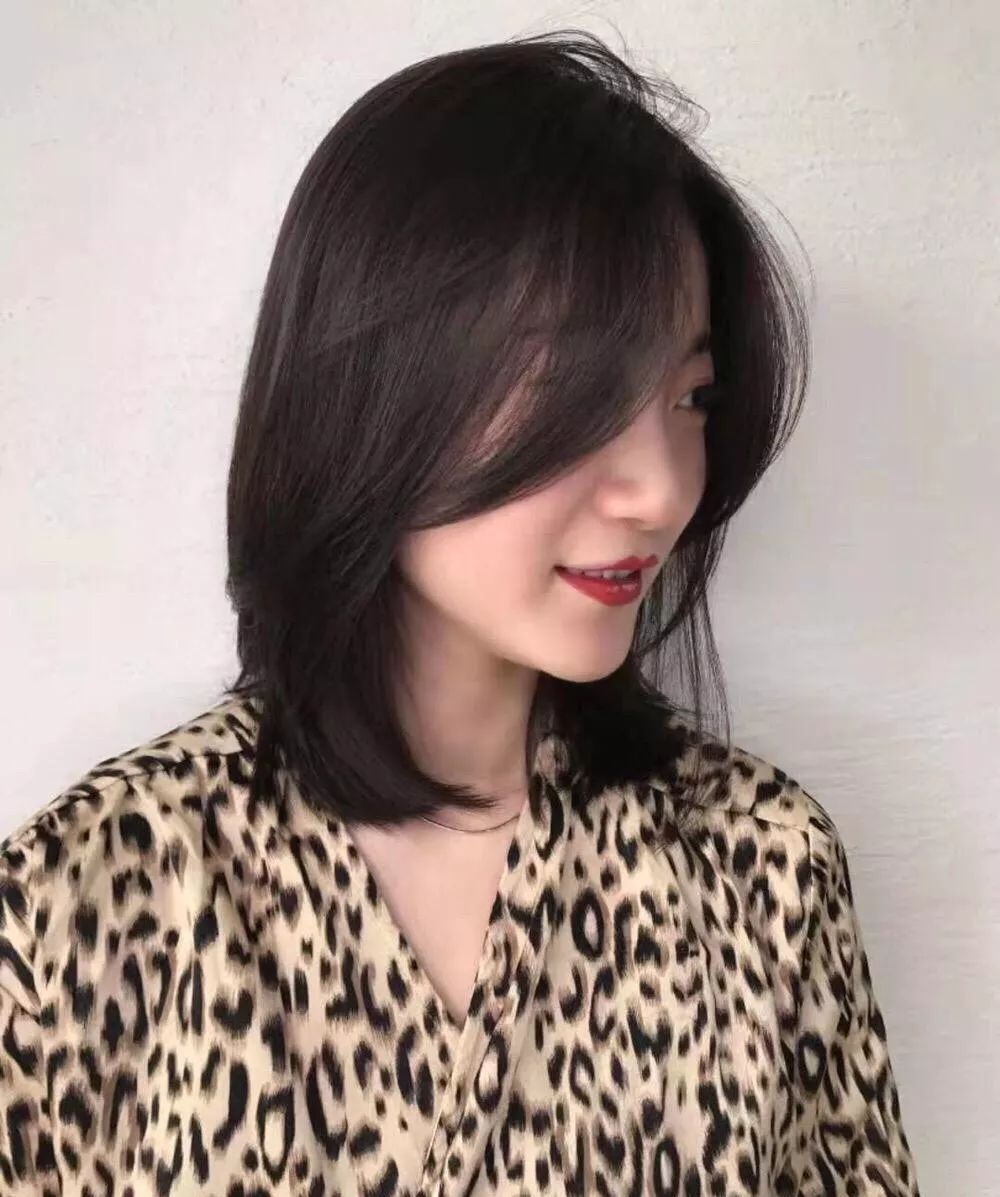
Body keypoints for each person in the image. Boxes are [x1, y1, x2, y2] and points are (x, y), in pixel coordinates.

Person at [0, 29, 920, 1197]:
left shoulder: (761, 871)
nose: (658, 490)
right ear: (375, 393)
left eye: (690, 397)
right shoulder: (86, 900)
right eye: (574, 388)